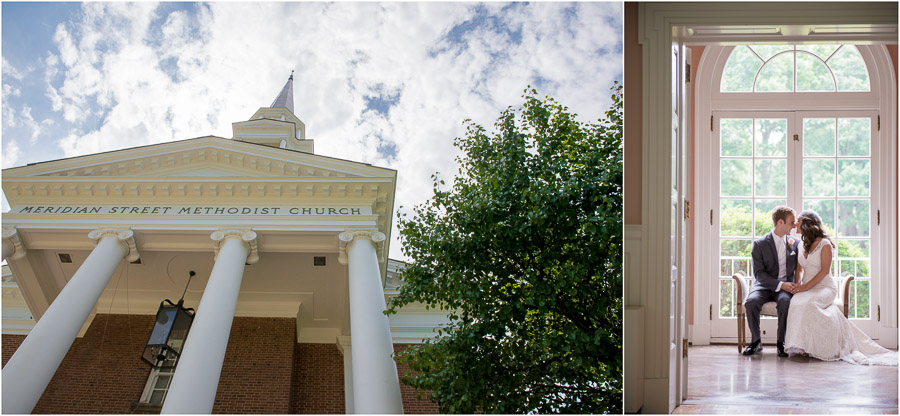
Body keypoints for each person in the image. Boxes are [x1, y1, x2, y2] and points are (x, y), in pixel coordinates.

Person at [784, 210, 897, 366]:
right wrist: (797, 287)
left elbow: (824, 271)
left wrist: (804, 287)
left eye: (797, 221)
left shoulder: (825, 244)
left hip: (824, 287)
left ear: (806, 223)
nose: (795, 224)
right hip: (806, 287)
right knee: (796, 302)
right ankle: (802, 346)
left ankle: (821, 347)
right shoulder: (800, 244)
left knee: (809, 304)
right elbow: (799, 269)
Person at [744, 206, 800, 357]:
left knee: (785, 302)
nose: (794, 226)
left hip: (785, 288)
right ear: (780, 222)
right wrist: (781, 284)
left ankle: (781, 342)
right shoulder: (759, 244)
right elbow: (759, 274)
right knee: (751, 302)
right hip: (763, 286)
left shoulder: (795, 243)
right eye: (791, 222)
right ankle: (756, 342)